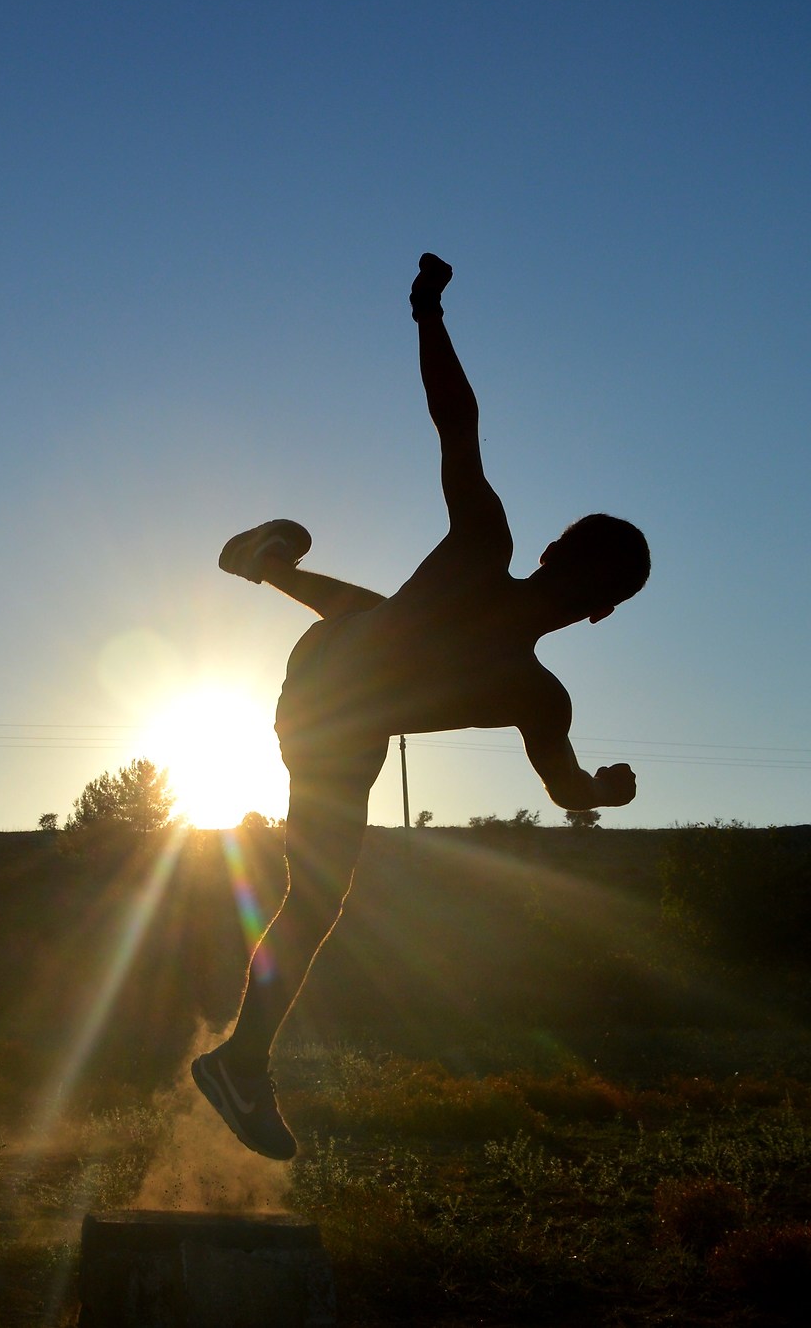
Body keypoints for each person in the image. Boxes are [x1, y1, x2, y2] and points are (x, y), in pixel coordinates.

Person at [192, 253, 650, 1160]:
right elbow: (567, 792)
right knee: (315, 900)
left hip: (331, 683)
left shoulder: (490, 557)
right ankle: (242, 1063)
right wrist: (611, 787)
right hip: (335, 717)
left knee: (391, 623)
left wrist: (428, 312)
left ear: (558, 546)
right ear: (600, 613)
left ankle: (268, 565)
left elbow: (459, 423)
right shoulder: (536, 690)